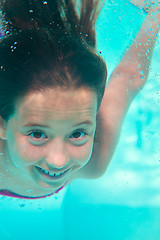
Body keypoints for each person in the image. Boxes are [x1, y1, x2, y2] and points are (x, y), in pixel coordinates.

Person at [0, 0, 159, 199]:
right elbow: (131, 78)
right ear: (3, 124)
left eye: (77, 133)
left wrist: (155, 14)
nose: (58, 161)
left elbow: (129, 78)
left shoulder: (95, 159)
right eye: (37, 134)